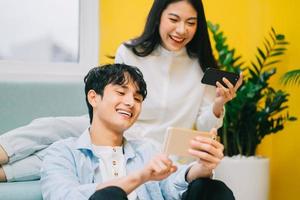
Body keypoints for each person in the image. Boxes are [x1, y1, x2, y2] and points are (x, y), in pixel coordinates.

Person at [0, 0, 243, 182]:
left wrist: (218, 104)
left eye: (191, 23)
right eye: (174, 19)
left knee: (69, 153)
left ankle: (3, 174)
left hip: (149, 147)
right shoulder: (130, 52)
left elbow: (202, 128)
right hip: (116, 126)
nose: (181, 30)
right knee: (51, 127)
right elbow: (114, 100)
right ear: (158, 17)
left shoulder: (201, 67)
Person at [41, 63, 233, 200]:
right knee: (109, 196)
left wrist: (204, 167)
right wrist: (141, 176)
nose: (131, 102)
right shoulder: (62, 152)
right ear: (94, 98)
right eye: (121, 92)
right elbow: (63, 196)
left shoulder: (146, 150)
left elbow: (175, 182)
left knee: (210, 188)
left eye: (137, 98)